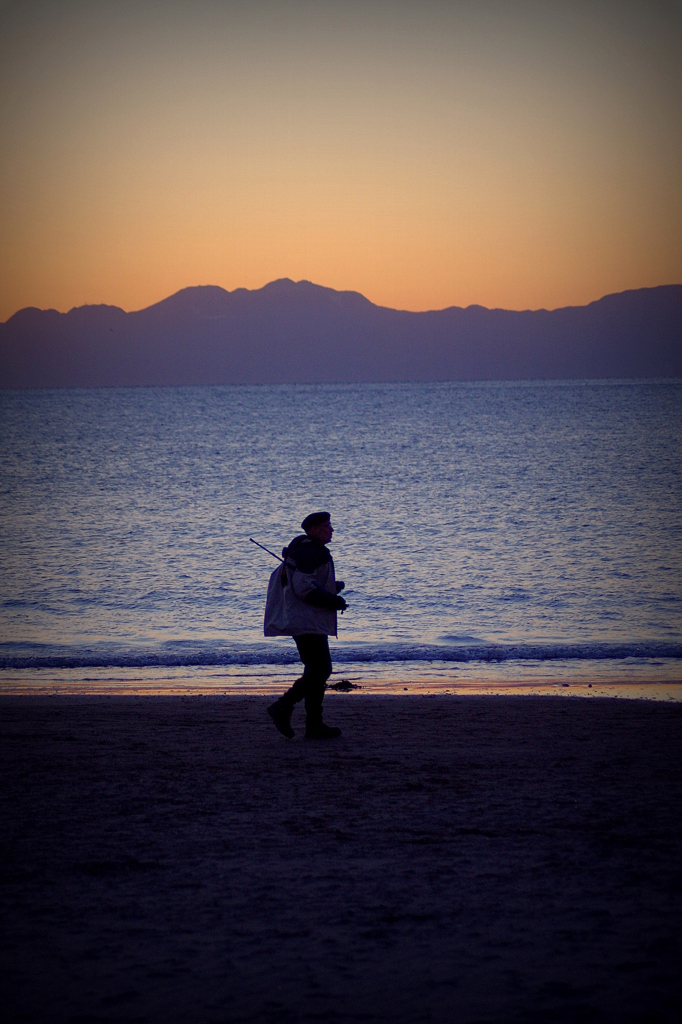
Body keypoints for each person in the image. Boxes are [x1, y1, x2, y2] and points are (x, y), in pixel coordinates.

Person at [265, 511, 347, 739]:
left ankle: (314, 725)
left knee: (315, 670)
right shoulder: (311, 551)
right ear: (314, 530)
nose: (332, 530)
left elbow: (305, 582)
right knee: (321, 669)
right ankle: (283, 706)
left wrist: (331, 587)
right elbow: (304, 588)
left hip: (304, 620)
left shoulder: (304, 550)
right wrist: (333, 600)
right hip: (307, 621)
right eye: (327, 526)